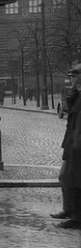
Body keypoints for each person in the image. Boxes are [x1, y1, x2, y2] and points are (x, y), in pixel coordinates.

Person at [56, 64, 81, 229]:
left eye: (74, 76)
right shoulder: (76, 95)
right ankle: (69, 210)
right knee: (65, 178)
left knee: (74, 181)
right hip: (72, 143)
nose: (71, 79)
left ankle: (76, 218)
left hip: (77, 145)